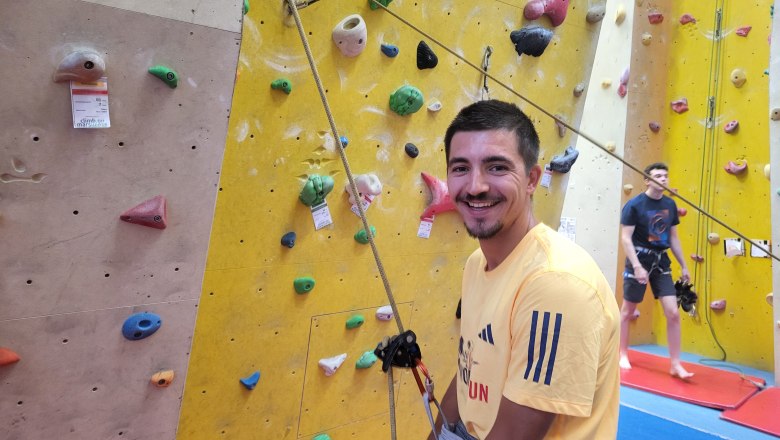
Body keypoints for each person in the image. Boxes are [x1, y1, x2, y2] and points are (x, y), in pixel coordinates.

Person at [430, 100, 620, 440]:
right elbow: (470, 370)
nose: (475, 186)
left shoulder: (556, 284)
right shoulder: (478, 264)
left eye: (497, 167)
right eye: (460, 168)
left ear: (532, 178)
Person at [619, 163, 693, 379]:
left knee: (673, 313)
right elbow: (626, 238)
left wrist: (684, 265)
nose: (663, 178)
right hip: (639, 259)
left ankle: (675, 364)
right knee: (628, 311)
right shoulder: (634, 206)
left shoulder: (670, 205)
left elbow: (673, 239)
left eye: (666, 175)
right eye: (658, 175)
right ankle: (622, 353)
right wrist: (637, 266)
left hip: (661, 262)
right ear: (647, 180)